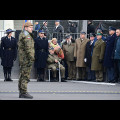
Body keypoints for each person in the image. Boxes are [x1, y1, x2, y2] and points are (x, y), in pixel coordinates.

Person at [18, 22, 35, 99]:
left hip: (23, 59)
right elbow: (29, 49)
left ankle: (21, 91)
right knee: (25, 75)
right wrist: (32, 58)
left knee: (22, 75)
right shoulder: (27, 36)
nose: (32, 28)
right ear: (26, 28)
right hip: (26, 59)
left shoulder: (24, 34)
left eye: (32, 27)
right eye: (30, 27)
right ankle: (24, 92)